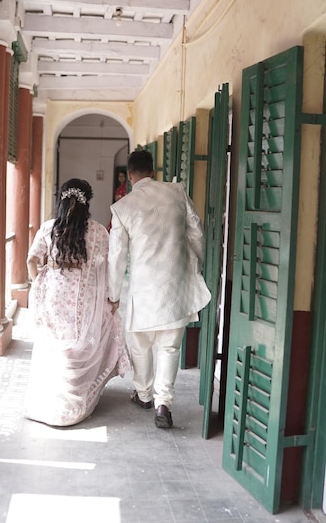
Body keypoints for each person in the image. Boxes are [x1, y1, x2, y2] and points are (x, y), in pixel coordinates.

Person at [107, 150, 211, 429]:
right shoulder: (177, 192)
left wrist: (113, 295)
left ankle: (143, 395)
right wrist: (194, 267)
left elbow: (116, 256)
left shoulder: (122, 207)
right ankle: (162, 403)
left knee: (140, 345)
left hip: (142, 290)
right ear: (153, 171)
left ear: (130, 176)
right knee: (169, 347)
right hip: (175, 287)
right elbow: (197, 232)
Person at [25, 178, 131, 427]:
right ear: (88, 202)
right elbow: (106, 267)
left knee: (54, 348)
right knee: (81, 343)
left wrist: (38, 283)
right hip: (83, 300)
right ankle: (75, 397)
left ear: (60, 199)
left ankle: (51, 399)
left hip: (53, 295)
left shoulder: (48, 228)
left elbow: (31, 260)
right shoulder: (98, 232)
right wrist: (110, 298)